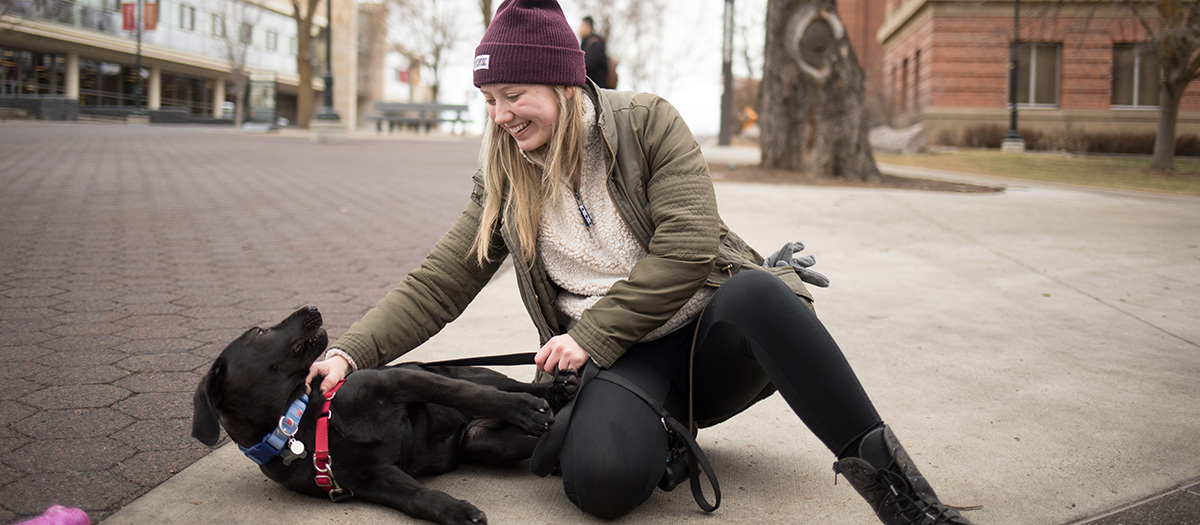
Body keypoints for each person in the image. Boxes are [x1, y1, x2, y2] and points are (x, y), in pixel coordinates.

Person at [306, 1, 973, 524]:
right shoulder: (503, 177)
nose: (502, 115)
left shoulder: (648, 122)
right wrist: (354, 351)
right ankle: (661, 435)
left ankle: (904, 499)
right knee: (601, 484)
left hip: (705, 333)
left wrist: (590, 333)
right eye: (490, 100)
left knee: (761, 296)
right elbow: (442, 278)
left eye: (515, 93)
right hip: (622, 361)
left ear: (565, 83)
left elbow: (688, 244)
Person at [577, 15, 610, 88]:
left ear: (588, 27)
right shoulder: (587, 44)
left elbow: (590, 65)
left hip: (597, 88)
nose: (579, 30)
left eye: (582, 26)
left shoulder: (595, 44)